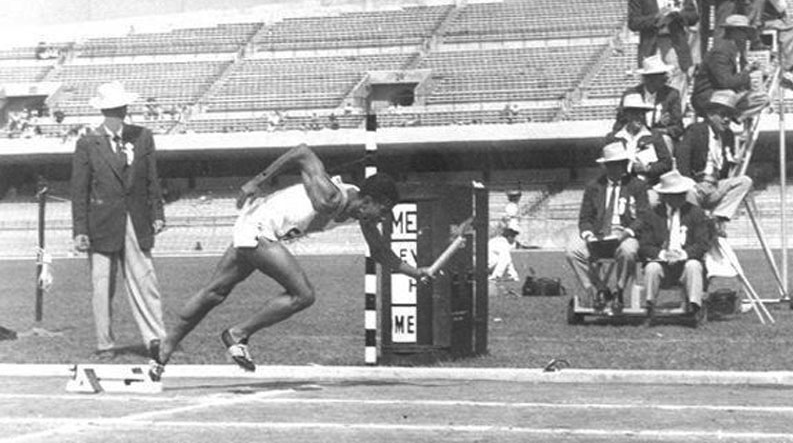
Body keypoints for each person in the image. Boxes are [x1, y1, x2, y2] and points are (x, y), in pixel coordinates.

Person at [154, 143, 433, 374]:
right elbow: (303, 152)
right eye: (382, 211)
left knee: (215, 292)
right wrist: (257, 180)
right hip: (261, 228)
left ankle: (164, 348)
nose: (382, 218)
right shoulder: (331, 196)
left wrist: (416, 272)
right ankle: (237, 334)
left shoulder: (362, 217)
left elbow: (383, 253)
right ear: (368, 199)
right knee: (303, 294)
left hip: (257, 225)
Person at [70, 81, 166, 360]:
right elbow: (80, 190)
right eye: (115, 107)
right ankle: (105, 344)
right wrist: (80, 230)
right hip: (100, 223)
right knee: (102, 286)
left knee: (146, 281)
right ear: (105, 110)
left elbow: (151, 178)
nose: (120, 111)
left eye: (121, 106)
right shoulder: (88, 142)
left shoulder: (143, 137)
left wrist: (158, 214)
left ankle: (157, 340)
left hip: (136, 221)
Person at [565, 141, 649, 314]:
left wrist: (626, 233)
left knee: (628, 251)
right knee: (573, 251)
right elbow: (585, 218)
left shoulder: (637, 186)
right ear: (606, 166)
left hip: (624, 234)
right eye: (613, 164)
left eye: (621, 163)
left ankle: (619, 291)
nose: (618, 168)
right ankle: (600, 289)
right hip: (598, 234)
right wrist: (588, 235)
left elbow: (643, 217)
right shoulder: (594, 186)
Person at [638, 170, 714, 327]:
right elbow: (644, 246)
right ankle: (650, 309)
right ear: (665, 196)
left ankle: (695, 310)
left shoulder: (696, 213)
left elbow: (702, 244)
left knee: (693, 266)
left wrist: (682, 254)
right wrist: (663, 254)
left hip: (685, 263)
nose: (680, 197)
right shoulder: (652, 215)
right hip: (662, 265)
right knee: (652, 267)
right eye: (674, 194)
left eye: (682, 193)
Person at [676, 89, 753, 238]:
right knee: (689, 201)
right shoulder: (695, 130)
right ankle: (695, 229)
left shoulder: (728, 136)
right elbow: (682, 160)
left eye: (729, 116)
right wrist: (692, 184)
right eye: (723, 115)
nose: (727, 120)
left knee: (744, 181)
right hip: (695, 186)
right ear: (711, 115)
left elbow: (726, 166)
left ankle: (718, 218)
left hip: (716, 185)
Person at [628, 0, 698, 100]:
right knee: (651, 80)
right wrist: (657, 17)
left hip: (674, 41)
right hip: (651, 42)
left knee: (677, 74)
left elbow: (693, 16)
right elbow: (633, 22)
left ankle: (675, 113)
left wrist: (678, 15)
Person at [691, 14, 770, 119]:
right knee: (728, 95)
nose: (746, 36)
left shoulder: (737, 52)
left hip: (726, 95)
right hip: (709, 96)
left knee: (761, 98)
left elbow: (737, 80)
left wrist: (753, 77)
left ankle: (734, 117)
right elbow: (725, 82)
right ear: (734, 32)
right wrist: (746, 73)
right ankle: (722, 117)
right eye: (743, 32)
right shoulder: (720, 52)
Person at [606, 93, 672, 198]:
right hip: (622, 187)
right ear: (626, 115)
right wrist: (629, 168)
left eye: (642, 113)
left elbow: (667, 164)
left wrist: (648, 169)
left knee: (651, 200)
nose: (640, 117)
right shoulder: (613, 138)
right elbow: (607, 165)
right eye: (635, 113)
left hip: (649, 187)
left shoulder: (654, 136)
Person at [613, 55, 684, 151]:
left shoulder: (671, 94)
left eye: (664, 75)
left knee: (665, 140)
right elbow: (619, 124)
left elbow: (678, 128)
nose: (665, 78)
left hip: (659, 138)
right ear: (648, 78)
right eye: (660, 76)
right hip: (634, 137)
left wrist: (660, 131)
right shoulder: (631, 94)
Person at [488, 219, 521, 283]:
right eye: (513, 237)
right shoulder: (503, 243)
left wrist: (514, 276)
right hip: (489, 266)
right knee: (506, 258)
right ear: (509, 237)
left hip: (487, 264)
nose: (514, 240)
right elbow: (505, 260)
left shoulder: (495, 240)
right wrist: (496, 276)